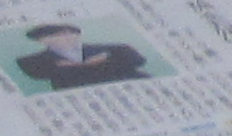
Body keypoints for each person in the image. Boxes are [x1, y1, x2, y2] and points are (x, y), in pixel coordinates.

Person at [12, 24, 148, 91]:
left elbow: (139, 61)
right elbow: (38, 74)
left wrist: (104, 60)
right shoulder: (32, 61)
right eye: (55, 35)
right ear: (41, 40)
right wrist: (82, 65)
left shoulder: (115, 48)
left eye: (70, 33)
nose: (65, 37)